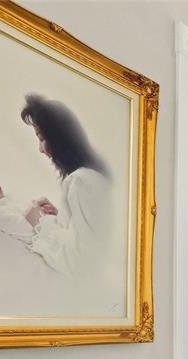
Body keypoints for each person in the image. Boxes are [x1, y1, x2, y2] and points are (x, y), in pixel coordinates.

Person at [19, 93, 112, 278]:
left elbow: (81, 260)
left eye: (41, 138)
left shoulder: (81, 181)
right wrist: (62, 217)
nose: (40, 149)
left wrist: (41, 221)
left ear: (59, 138)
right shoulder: (96, 176)